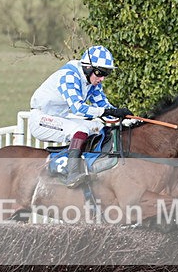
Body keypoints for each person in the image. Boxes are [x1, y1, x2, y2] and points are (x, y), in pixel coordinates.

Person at [29, 45, 133, 187]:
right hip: (41, 120)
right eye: (100, 73)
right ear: (88, 68)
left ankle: (90, 162)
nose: (102, 78)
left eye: (106, 74)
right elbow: (78, 108)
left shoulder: (92, 81)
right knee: (80, 130)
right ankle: (72, 174)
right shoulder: (69, 76)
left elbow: (103, 106)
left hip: (60, 117)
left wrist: (123, 117)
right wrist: (106, 112)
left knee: (98, 126)